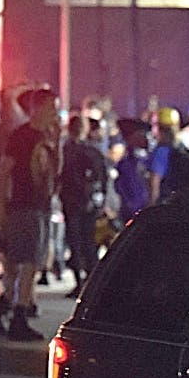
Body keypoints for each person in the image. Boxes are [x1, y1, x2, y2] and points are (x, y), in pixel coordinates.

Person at [0, 87, 60, 341]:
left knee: (24, 262)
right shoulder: (21, 135)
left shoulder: (48, 135)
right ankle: (18, 316)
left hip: (41, 204)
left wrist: (57, 143)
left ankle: (1, 310)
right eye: (50, 107)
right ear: (37, 109)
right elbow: (4, 173)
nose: (53, 113)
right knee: (28, 263)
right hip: (23, 206)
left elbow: (55, 170)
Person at [59, 115, 107, 297]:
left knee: (76, 241)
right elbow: (102, 178)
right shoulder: (93, 151)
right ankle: (91, 282)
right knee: (88, 242)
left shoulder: (67, 150)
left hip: (72, 201)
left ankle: (81, 281)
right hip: (89, 202)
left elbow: (62, 175)